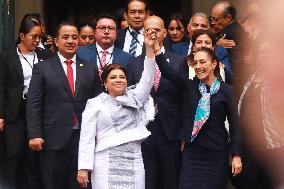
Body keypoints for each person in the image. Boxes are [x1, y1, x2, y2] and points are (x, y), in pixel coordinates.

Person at [77, 28, 157, 189]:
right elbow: (87, 138)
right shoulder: (95, 104)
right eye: (113, 77)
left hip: (134, 160)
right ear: (105, 83)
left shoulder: (136, 98)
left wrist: (149, 49)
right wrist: (83, 169)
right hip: (105, 162)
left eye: (122, 77)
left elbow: (148, 79)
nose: (118, 80)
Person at [26, 21, 102, 189]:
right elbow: (34, 102)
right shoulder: (42, 68)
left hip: (83, 140)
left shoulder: (90, 68)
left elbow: (100, 102)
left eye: (74, 37)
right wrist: (34, 134)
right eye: (65, 37)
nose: (70, 41)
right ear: (56, 41)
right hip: (52, 139)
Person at [155, 46, 242, 189]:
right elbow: (168, 72)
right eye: (195, 63)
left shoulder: (227, 91)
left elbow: (235, 126)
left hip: (216, 153)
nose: (198, 66)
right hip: (193, 152)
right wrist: (157, 49)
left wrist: (236, 155)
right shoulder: (190, 86)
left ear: (214, 64)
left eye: (202, 62)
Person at [127, 15, 184, 189]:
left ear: (165, 33)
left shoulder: (180, 61)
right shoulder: (134, 63)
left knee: (170, 181)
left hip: (171, 132)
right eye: (148, 30)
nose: (152, 34)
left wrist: (184, 131)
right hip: (143, 133)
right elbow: (130, 100)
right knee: (147, 182)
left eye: (157, 30)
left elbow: (185, 99)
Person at [0, 14, 53, 189]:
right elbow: (1, 85)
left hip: (38, 111)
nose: (37, 41)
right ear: (22, 36)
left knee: (33, 157)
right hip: (15, 111)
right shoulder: (7, 55)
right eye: (33, 36)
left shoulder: (44, 54)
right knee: (13, 153)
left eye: (40, 37)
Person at [211, 1, 249, 97]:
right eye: (212, 18)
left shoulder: (229, 33)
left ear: (228, 18)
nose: (213, 23)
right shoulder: (236, 28)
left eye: (216, 19)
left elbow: (236, 65)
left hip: (233, 84)